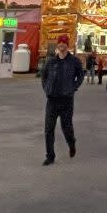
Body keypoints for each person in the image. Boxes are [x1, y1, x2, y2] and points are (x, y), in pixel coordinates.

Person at [40, 36, 84, 166]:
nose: (61, 45)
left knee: (67, 128)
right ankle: (50, 156)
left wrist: (73, 87)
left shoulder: (74, 61)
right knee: (48, 129)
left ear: (67, 45)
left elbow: (80, 75)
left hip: (66, 100)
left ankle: (71, 143)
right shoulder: (51, 62)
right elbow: (44, 76)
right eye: (59, 43)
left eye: (63, 43)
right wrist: (47, 89)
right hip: (52, 100)